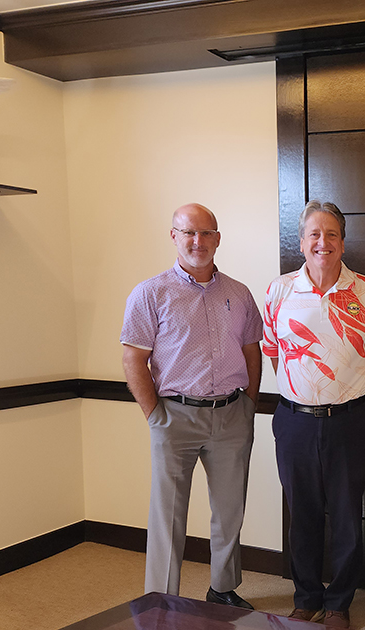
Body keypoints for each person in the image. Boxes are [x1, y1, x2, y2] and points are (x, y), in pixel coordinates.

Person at [121, 203, 262, 609]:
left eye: (205, 233)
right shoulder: (151, 293)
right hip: (175, 416)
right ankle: (162, 599)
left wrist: (248, 406)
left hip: (232, 414)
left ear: (217, 238)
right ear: (174, 236)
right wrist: (155, 416)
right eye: (188, 233)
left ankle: (223, 588)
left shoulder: (239, 293)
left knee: (230, 510)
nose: (197, 241)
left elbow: (252, 352)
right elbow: (134, 358)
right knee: (168, 515)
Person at [263, 200, 365, 630]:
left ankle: (338, 604)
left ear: (343, 242)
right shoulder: (279, 292)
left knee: (349, 515)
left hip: (349, 420)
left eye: (331, 234)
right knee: (303, 513)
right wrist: (305, 393)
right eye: (314, 234)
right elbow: (275, 355)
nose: (322, 242)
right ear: (301, 242)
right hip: (294, 420)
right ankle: (307, 596)